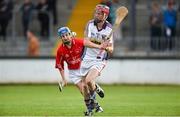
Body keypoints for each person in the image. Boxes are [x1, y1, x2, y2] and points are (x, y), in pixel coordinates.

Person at [55, 27, 109, 116]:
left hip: (83, 67)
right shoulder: (60, 50)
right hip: (74, 73)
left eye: (67, 35)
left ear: (70, 35)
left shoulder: (79, 42)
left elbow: (90, 44)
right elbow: (60, 65)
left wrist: (100, 46)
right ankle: (96, 105)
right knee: (84, 92)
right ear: (61, 38)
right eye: (63, 36)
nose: (65, 37)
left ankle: (90, 111)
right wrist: (64, 79)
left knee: (86, 86)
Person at [81, 4, 114, 116]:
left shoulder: (110, 29)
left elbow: (111, 49)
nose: (97, 15)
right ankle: (91, 107)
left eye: (100, 13)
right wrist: (100, 45)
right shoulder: (90, 24)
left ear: (105, 16)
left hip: (100, 59)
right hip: (87, 58)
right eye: (96, 12)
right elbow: (85, 42)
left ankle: (90, 108)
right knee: (85, 86)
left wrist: (107, 48)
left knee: (88, 81)